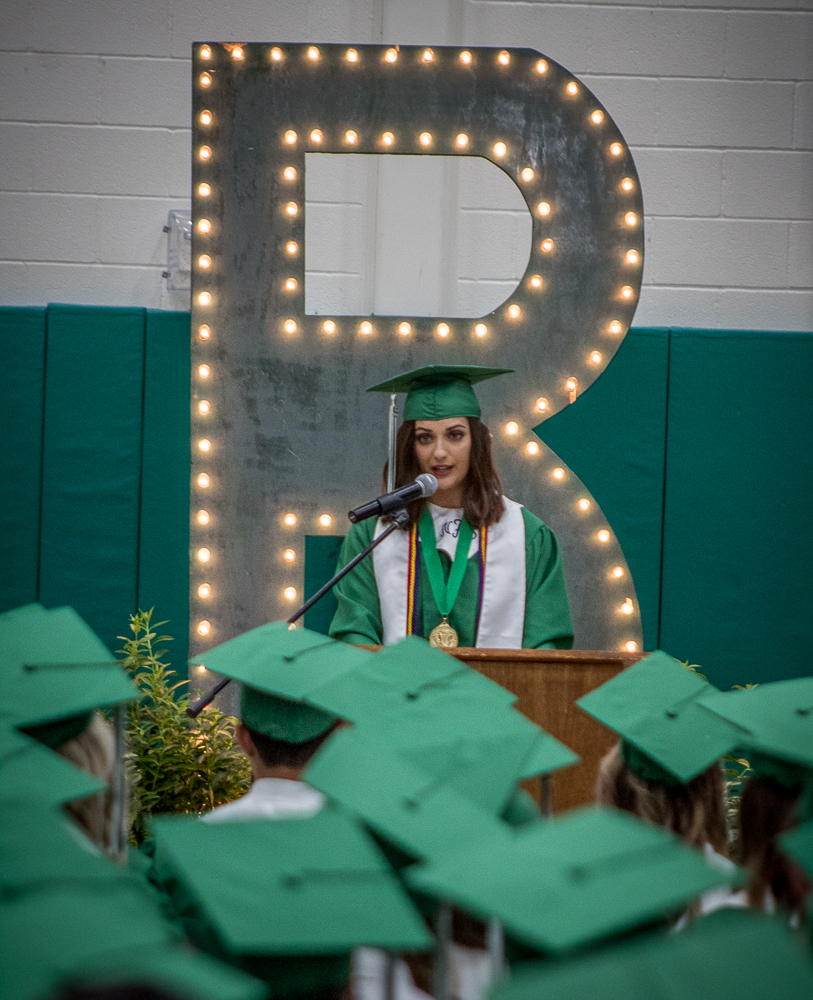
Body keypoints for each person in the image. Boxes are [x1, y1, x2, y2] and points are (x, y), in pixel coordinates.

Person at [329, 365, 573, 650]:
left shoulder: (527, 535)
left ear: (477, 442)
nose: (439, 452)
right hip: (397, 692)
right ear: (410, 447)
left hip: (498, 693)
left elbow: (546, 648)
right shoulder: (372, 534)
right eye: (425, 438)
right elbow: (355, 636)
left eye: (455, 435)